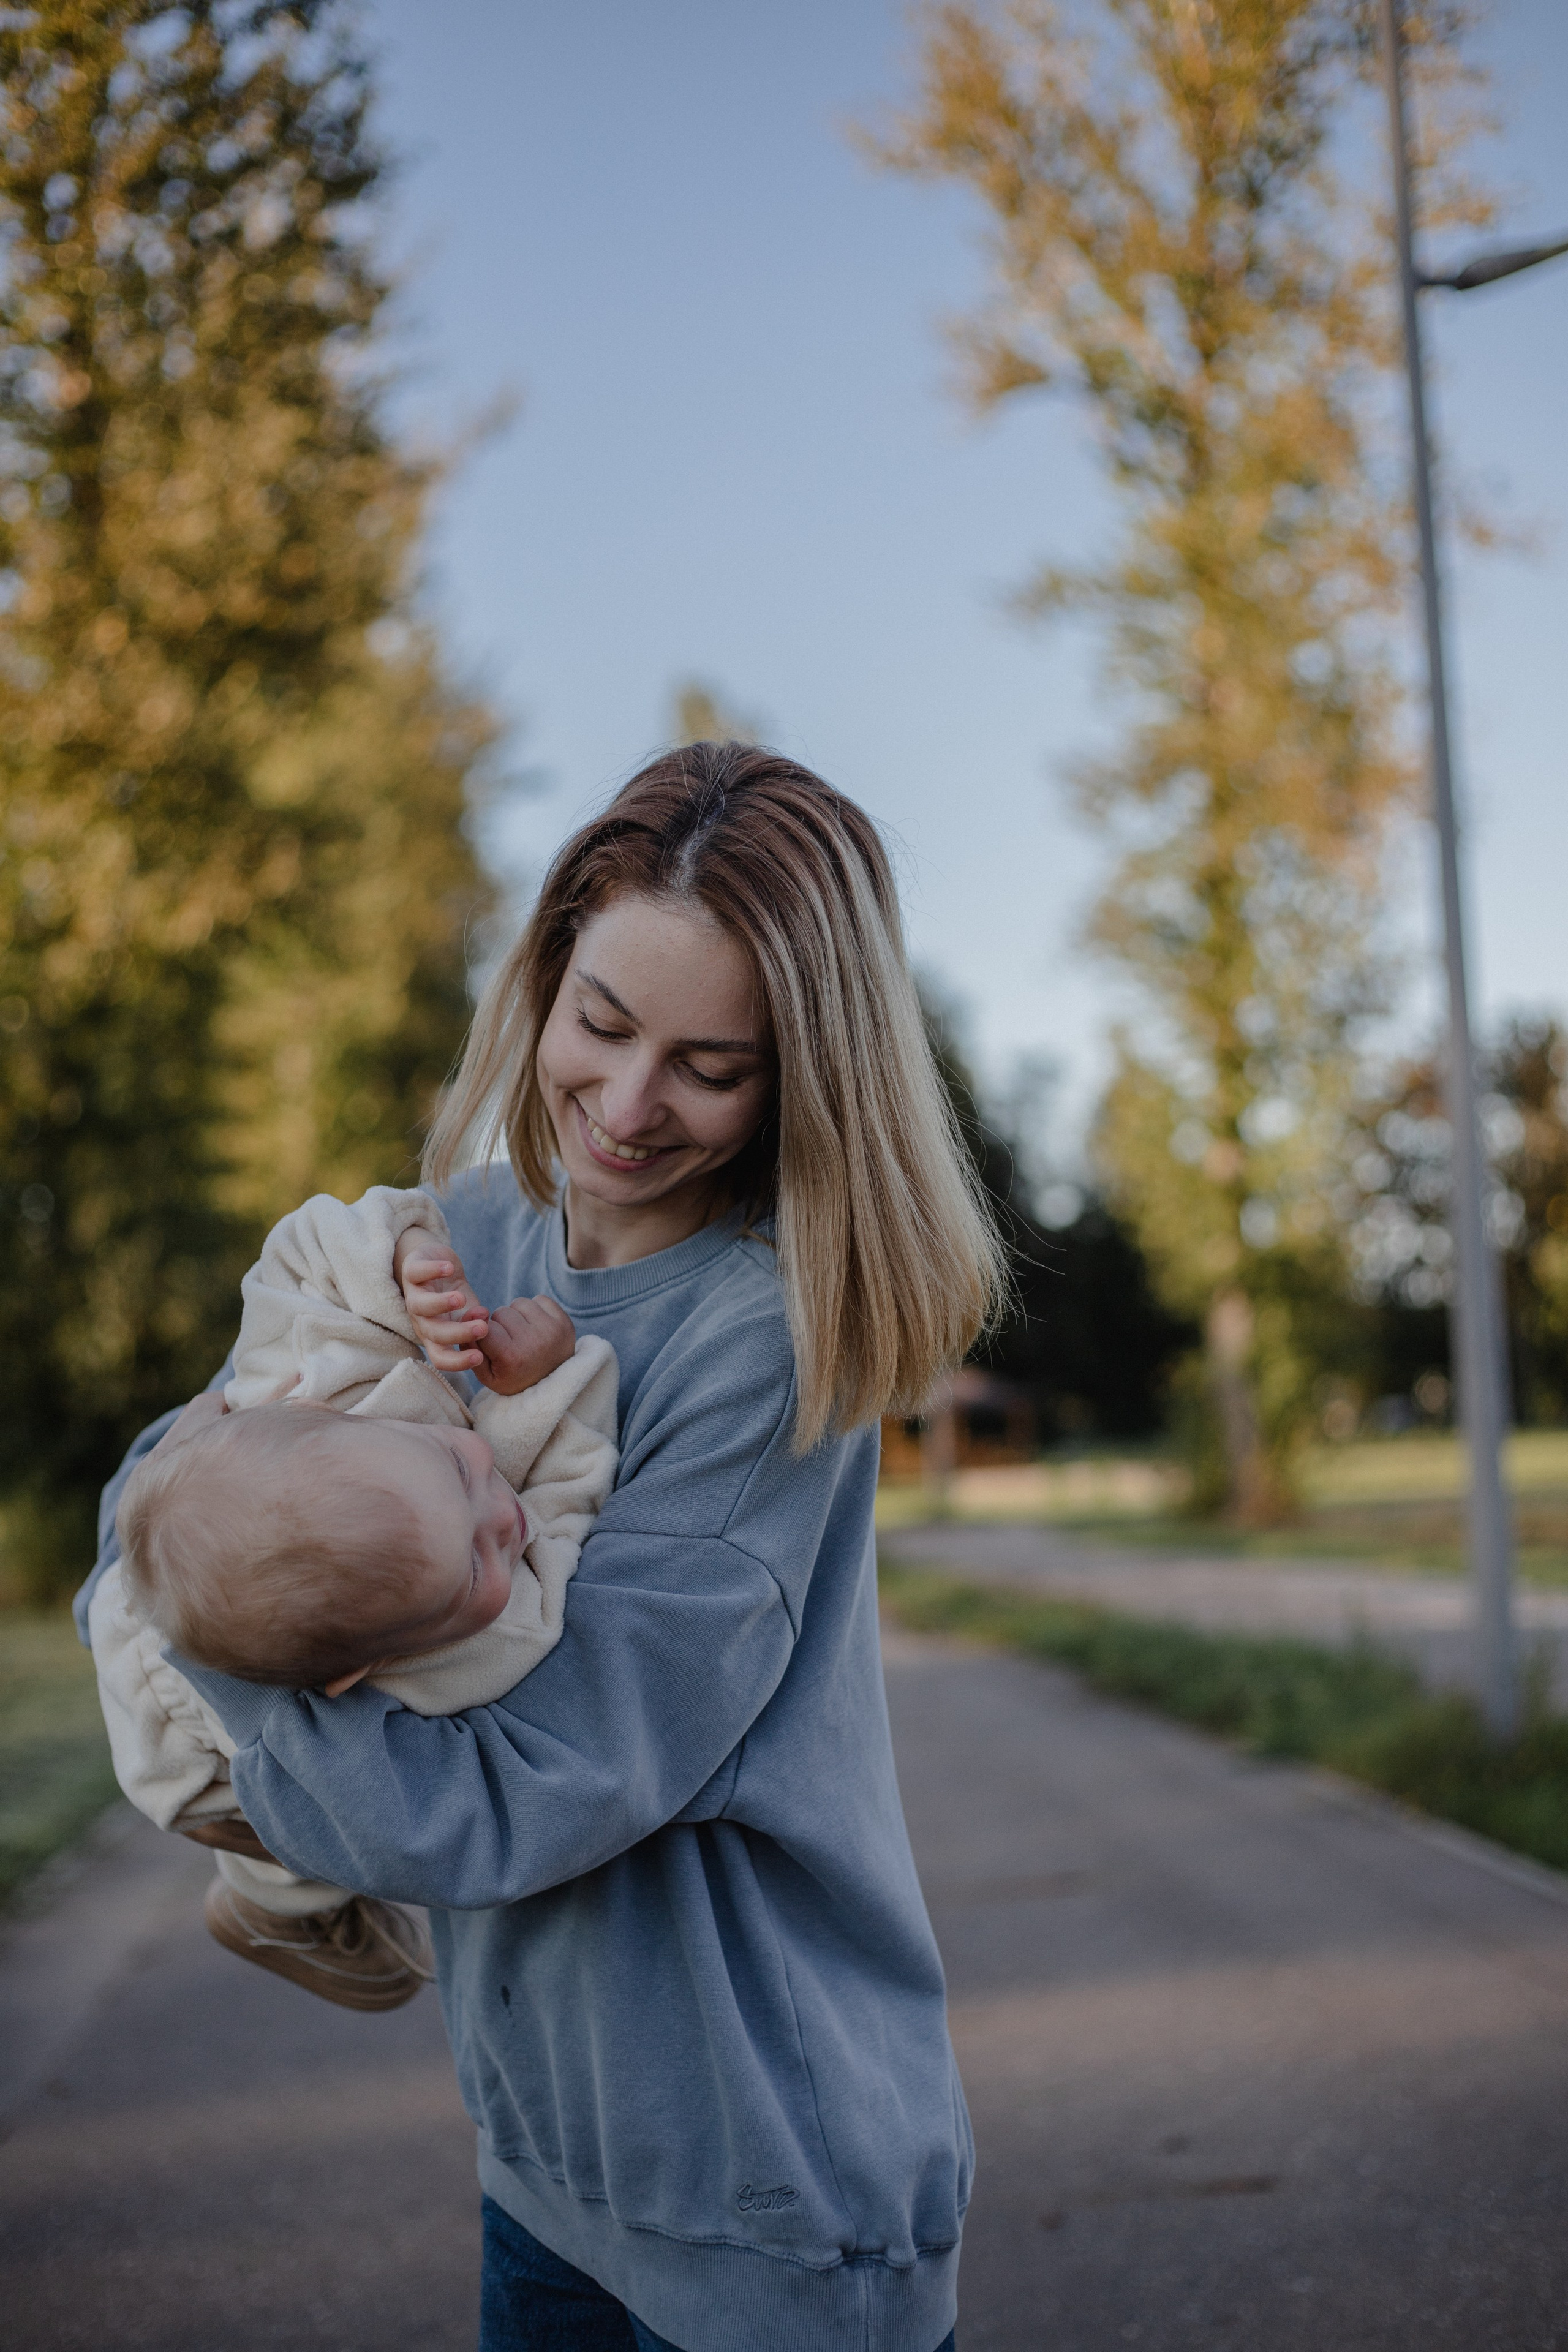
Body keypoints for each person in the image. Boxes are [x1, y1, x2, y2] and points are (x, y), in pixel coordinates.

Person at [77, 743, 1003, 2352]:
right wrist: (206, 1556)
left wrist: (235, 1653)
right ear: (547, 975)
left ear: (804, 1078)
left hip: (762, 2200)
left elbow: (519, 1785)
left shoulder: (763, 1343)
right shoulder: (448, 1237)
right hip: (544, 2160)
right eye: (604, 1024)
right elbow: (165, 1495)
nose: (632, 1108)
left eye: (713, 1066)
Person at [88, 1182, 619, 2006]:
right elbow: (565, 1503)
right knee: (299, 1833)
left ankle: (279, 1903)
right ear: (364, 1669)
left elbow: (302, 1251)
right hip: (188, 1769)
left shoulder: (310, 1380)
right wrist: (546, 1384)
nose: (506, 1519)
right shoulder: (462, 1656)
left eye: (459, 1464)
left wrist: (412, 1264)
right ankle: (282, 1914)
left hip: (148, 1610)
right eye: (479, 1565)